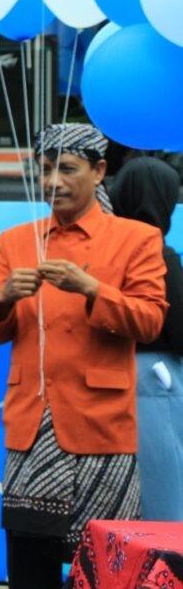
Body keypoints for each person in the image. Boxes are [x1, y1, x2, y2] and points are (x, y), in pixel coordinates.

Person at [0, 124, 168, 589]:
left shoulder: (137, 239)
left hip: (101, 426)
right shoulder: (15, 240)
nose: (52, 182)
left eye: (66, 169)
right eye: (44, 170)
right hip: (31, 426)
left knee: (109, 566)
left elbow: (149, 321)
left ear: (99, 171)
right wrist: (2, 298)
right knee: (29, 562)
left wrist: (91, 290)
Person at [111, 156, 183, 522]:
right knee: (163, 496)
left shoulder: (104, 246)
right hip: (155, 384)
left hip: (103, 381)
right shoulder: (158, 255)